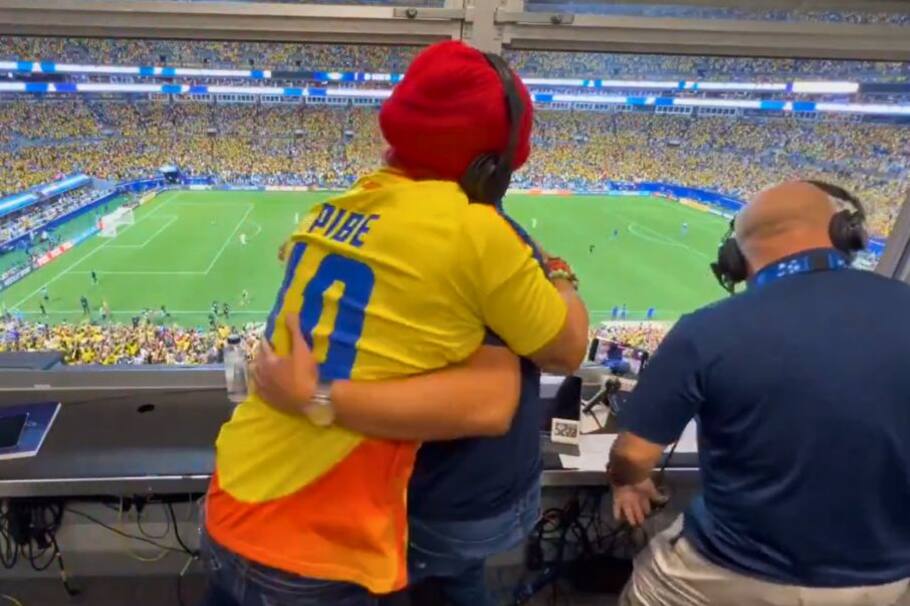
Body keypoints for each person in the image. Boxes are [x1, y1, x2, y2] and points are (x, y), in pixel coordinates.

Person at [203, 41, 588, 606]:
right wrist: (557, 272)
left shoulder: (331, 211)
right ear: (490, 170)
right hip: (311, 539)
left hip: (232, 497)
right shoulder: (478, 234)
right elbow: (566, 350)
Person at [610, 181, 910, 606]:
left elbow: (633, 455)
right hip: (887, 583)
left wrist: (629, 482)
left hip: (725, 575)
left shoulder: (708, 329)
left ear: (733, 260)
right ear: (848, 233)